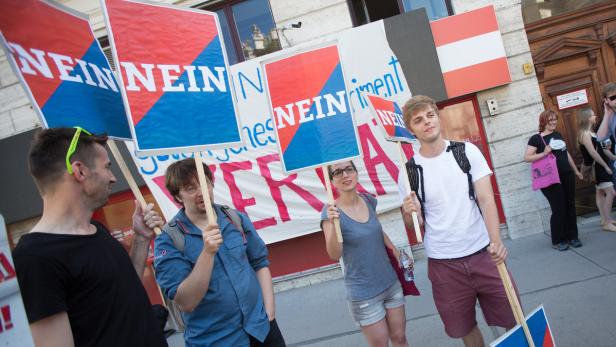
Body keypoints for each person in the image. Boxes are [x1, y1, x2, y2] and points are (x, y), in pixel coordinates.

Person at [12, 127, 168, 347]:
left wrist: (141, 239)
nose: (113, 178)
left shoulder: (97, 230)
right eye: (107, 167)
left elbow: (122, 290)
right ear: (80, 171)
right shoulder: (34, 258)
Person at [398, 95, 515, 347]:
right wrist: (410, 212)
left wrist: (496, 241)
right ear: (411, 129)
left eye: (430, 115)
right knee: (465, 328)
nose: (427, 122)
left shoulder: (466, 152)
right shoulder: (408, 171)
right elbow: (413, 224)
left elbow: (486, 199)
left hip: (485, 253)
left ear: (438, 116)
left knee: (512, 317)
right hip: (443, 265)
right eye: (418, 120)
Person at [153, 159, 285, 347]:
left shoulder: (234, 218)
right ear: (178, 196)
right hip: (217, 340)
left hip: (262, 330)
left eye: (204, 183)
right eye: (190, 188)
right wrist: (207, 253)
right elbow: (187, 302)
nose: (202, 193)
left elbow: (260, 263)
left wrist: (269, 314)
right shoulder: (170, 239)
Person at [321, 161, 409, 347]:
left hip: (390, 283)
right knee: (380, 344)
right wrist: (333, 222)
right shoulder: (330, 213)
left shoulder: (368, 200)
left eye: (348, 169)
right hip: (364, 294)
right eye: (337, 173)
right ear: (332, 182)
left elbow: (375, 228)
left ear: (356, 172)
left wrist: (393, 248)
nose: (345, 175)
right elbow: (334, 254)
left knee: (400, 339)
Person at [525, 110, 583, 250]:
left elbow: (566, 153)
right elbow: (527, 157)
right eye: (550, 120)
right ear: (543, 121)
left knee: (570, 205)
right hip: (550, 178)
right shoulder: (536, 138)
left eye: (555, 119)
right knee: (558, 208)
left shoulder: (558, 134)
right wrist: (544, 153)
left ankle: (573, 237)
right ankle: (558, 240)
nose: (553, 122)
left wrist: (575, 170)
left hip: (566, 174)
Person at [577, 107, 616, 232]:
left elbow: (603, 149)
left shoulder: (593, 132)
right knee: (611, 192)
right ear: (587, 118)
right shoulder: (584, 134)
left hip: (601, 164)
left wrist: (613, 156)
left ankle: (604, 219)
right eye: (593, 115)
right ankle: (607, 222)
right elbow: (593, 153)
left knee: (600, 193)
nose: (595, 117)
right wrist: (605, 166)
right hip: (598, 167)